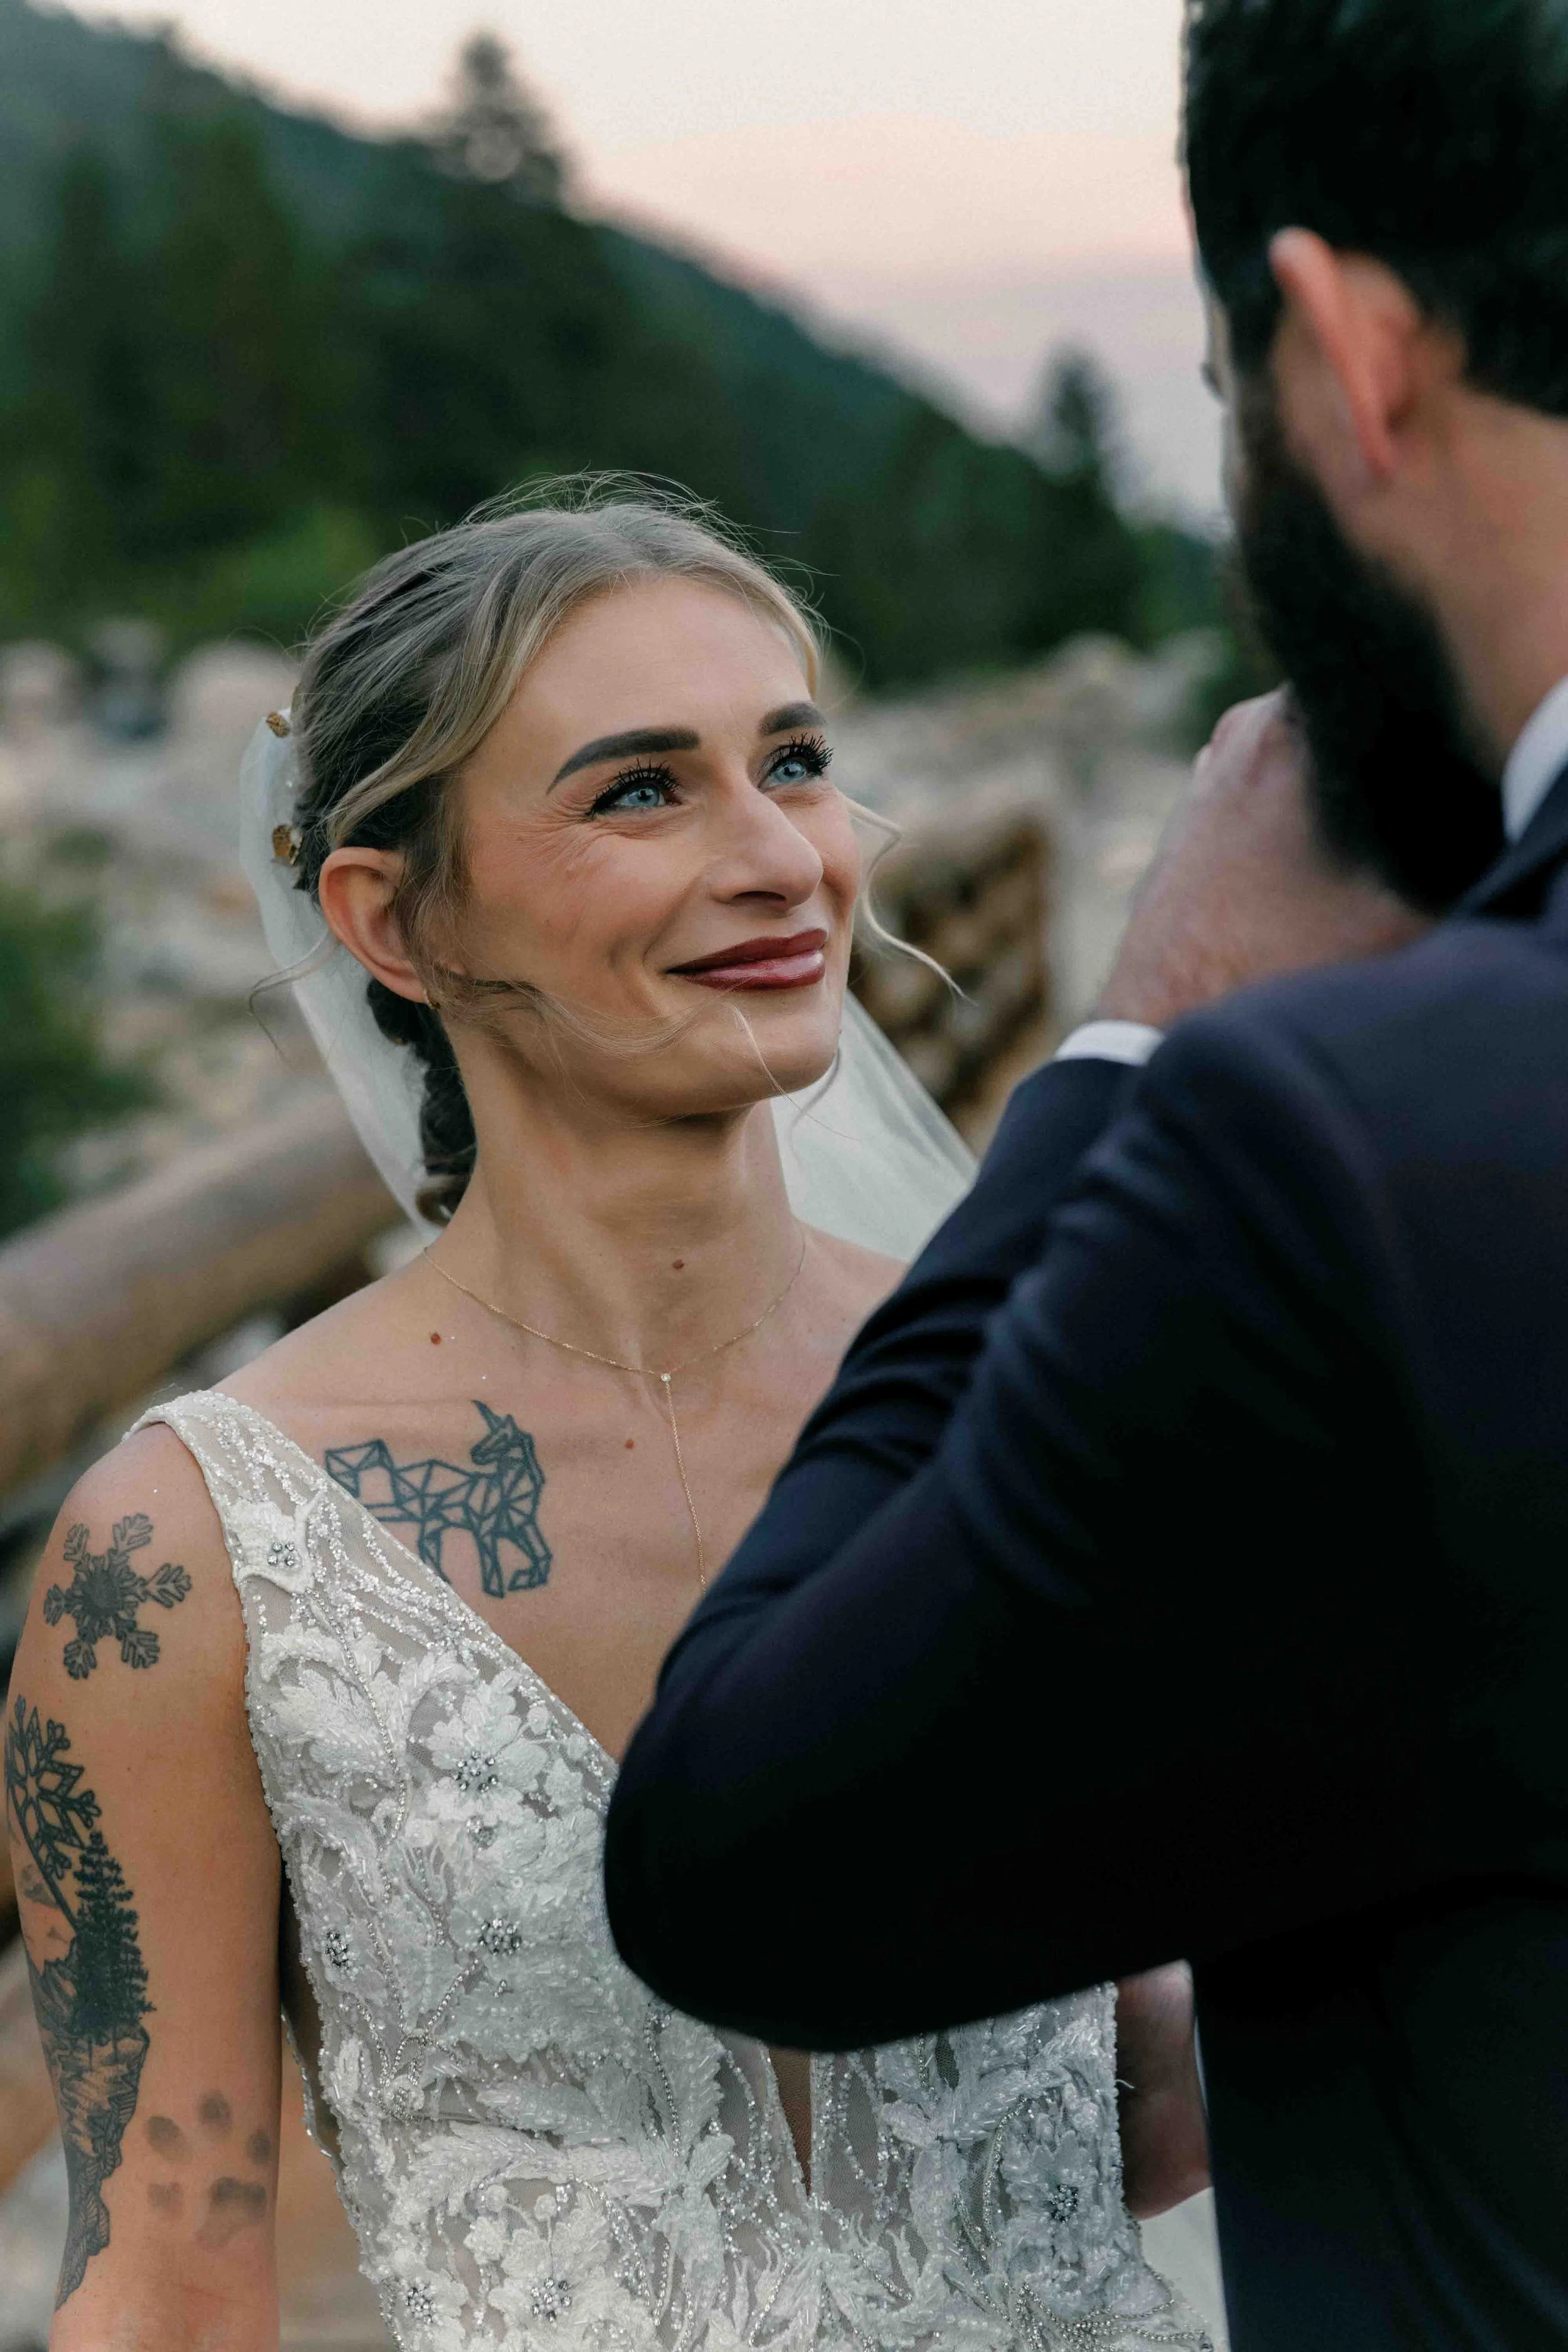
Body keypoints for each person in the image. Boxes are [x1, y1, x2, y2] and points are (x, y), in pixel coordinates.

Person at [601, 4, 1568, 2346]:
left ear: (1347, 350)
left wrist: (1146, 1028)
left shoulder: (1346, 1149)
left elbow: (749, 1860)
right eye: (643, 786)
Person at [4, 489, 1209, 2351]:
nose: (781, 858)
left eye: (792, 763)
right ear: (393, 919)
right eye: (642, 790)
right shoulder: (190, 1558)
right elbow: (166, 2286)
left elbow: (1129, 2101)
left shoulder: (1039, 1380)